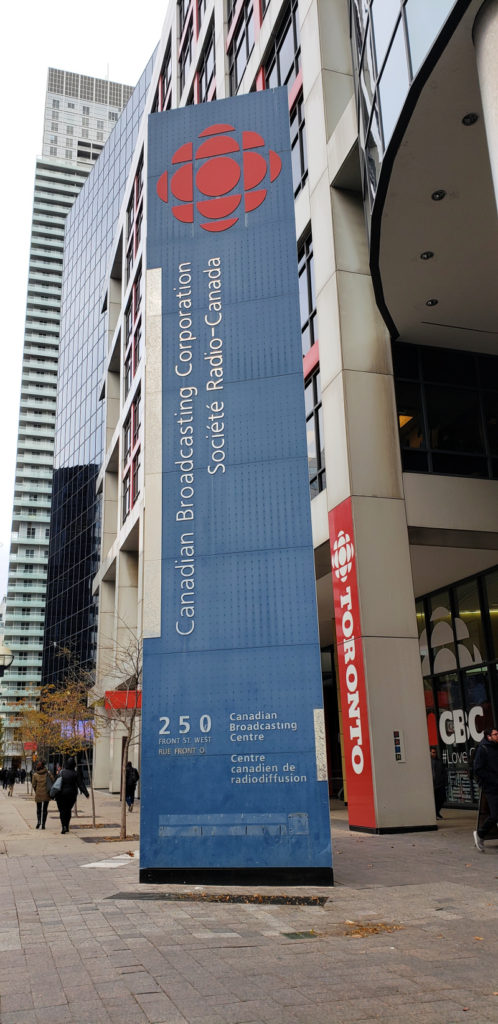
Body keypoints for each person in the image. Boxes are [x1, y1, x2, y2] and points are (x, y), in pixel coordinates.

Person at [473, 725, 498, 852]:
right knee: (495, 815)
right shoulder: (483, 749)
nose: (497, 736)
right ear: (488, 737)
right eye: (495, 734)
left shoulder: (495, 748)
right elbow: (478, 769)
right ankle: (480, 834)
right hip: (491, 787)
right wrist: (492, 780)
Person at [55, 756, 89, 834]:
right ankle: (66, 825)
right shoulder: (75, 773)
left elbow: (56, 783)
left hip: (61, 795)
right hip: (71, 795)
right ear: (74, 765)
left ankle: (63, 826)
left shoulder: (61, 772)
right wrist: (86, 793)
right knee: (68, 810)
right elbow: (81, 784)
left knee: (62, 811)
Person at [32, 760, 53, 830]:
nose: (36, 766)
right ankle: (43, 824)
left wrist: (36, 791)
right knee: (45, 809)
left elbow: (33, 785)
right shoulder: (47, 773)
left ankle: (38, 822)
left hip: (38, 794)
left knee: (38, 809)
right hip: (46, 793)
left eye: (38, 765)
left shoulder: (35, 775)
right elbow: (53, 780)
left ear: (41, 766)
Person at [430, 747, 446, 819]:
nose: (434, 754)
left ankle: (437, 812)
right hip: (433, 784)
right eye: (433, 752)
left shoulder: (439, 762)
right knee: (435, 800)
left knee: (442, 799)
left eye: (435, 752)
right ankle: (436, 813)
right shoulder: (429, 762)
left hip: (440, 784)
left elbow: (443, 771)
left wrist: (444, 780)